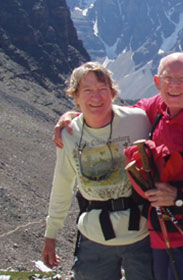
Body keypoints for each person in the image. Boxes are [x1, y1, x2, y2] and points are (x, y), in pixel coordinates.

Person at [53, 53, 183, 280]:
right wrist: (75, 115)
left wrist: (179, 196)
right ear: (157, 82)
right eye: (167, 78)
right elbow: (111, 113)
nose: (174, 85)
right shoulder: (156, 108)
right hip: (160, 235)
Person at [42, 62, 154, 280]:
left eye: (103, 90)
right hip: (94, 237)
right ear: (75, 96)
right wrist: (51, 233)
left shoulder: (138, 120)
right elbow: (63, 183)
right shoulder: (68, 134)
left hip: (141, 235)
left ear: (112, 94)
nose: (97, 97)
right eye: (88, 91)